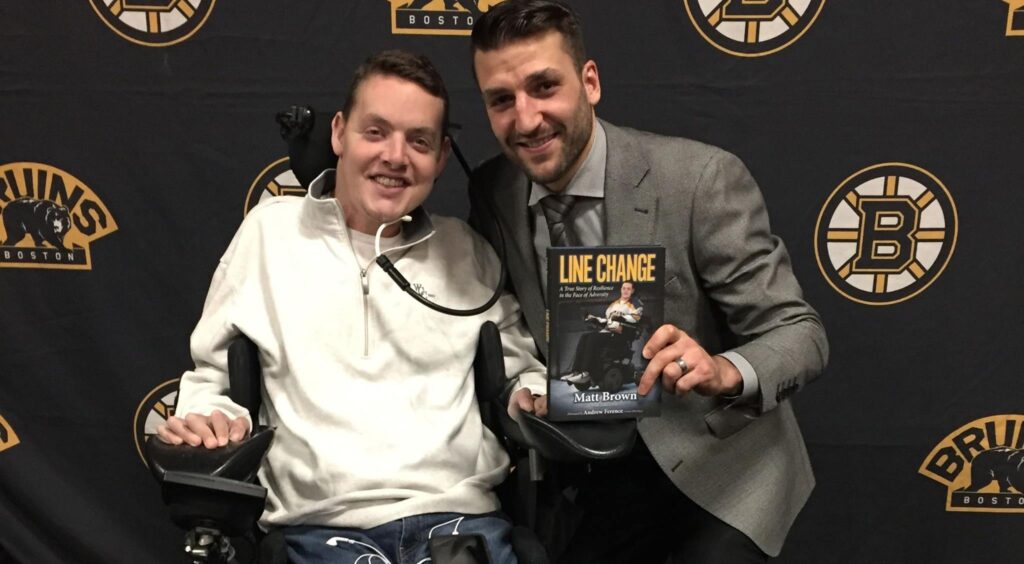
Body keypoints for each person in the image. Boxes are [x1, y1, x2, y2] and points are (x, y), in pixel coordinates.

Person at [467, 2, 829, 562]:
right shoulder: (495, 190)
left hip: (721, 465)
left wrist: (723, 369)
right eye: (501, 100)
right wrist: (526, 383)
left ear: (590, 82)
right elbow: (508, 321)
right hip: (591, 473)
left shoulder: (699, 179)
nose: (526, 118)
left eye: (544, 87)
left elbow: (800, 332)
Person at [157, 50, 547, 563]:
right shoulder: (269, 234)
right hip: (319, 529)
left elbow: (519, 372)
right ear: (339, 133)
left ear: (442, 157)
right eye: (376, 132)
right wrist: (209, 419)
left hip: (458, 520)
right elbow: (216, 377)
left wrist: (535, 395)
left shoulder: (465, 250)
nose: (395, 156)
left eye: (419, 141)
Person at [562, 281, 643, 387]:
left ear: (632, 290)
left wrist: (622, 317)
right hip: (608, 332)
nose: (625, 291)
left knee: (593, 337)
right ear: (621, 289)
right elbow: (606, 321)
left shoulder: (636, 303)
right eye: (623, 288)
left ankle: (586, 372)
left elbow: (636, 318)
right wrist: (592, 318)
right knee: (585, 336)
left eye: (628, 288)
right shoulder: (614, 305)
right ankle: (576, 371)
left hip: (621, 335)